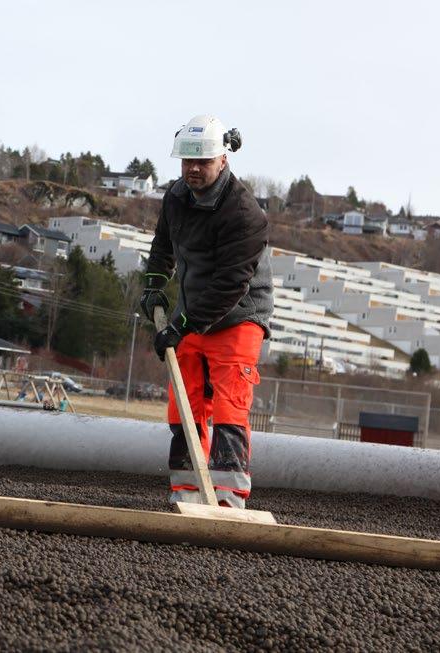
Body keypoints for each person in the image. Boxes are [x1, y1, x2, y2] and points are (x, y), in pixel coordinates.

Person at [140, 115, 273, 509]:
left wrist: (181, 325)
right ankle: (187, 492)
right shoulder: (176, 198)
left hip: (239, 313)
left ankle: (229, 497)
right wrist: (152, 285)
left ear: (222, 161)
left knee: (231, 403)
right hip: (193, 308)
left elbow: (231, 285)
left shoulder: (245, 214)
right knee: (184, 401)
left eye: (202, 162)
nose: (193, 170)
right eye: (187, 162)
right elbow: (163, 246)